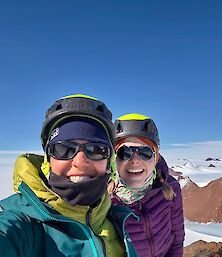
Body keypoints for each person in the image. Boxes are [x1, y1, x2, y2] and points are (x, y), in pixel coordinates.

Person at [0, 94, 138, 257]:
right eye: (63, 149)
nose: (79, 162)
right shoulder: (22, 228)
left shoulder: (117, 221)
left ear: (109, 163)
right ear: (48, 161)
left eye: (96, 150)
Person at [111, 113, 185, 257]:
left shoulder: (170, 188)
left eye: (145, 152)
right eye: (124, 152)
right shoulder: (104, 200)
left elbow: (176, 239)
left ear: (156, 157)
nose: (135, 160)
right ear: (114, 158)